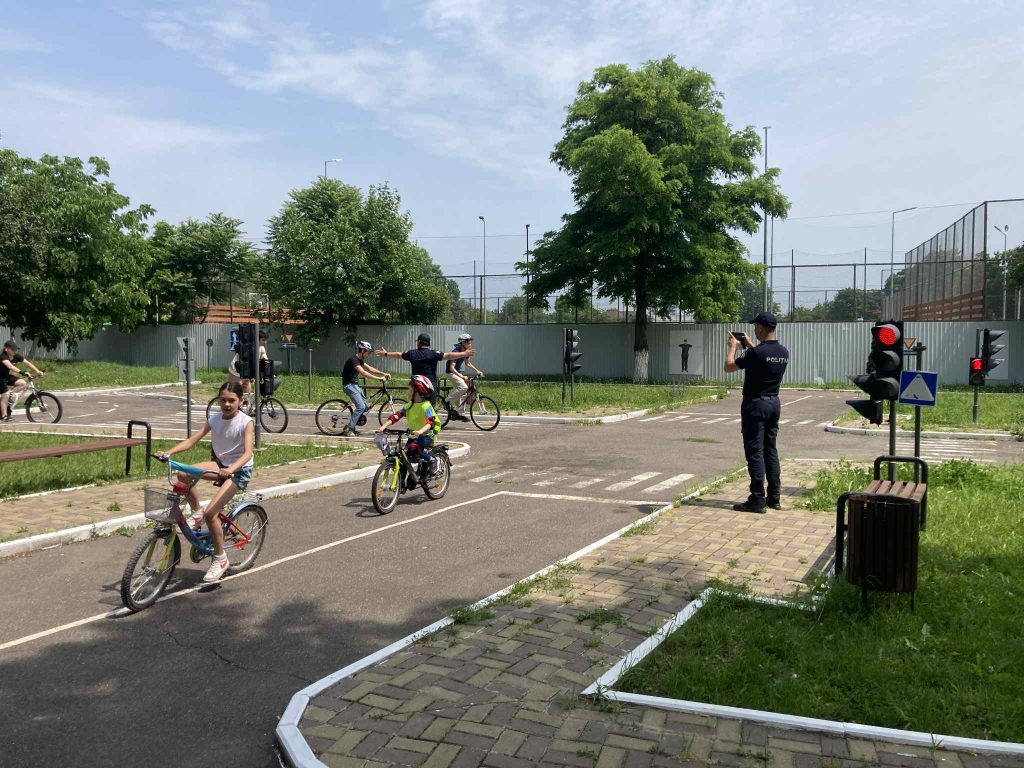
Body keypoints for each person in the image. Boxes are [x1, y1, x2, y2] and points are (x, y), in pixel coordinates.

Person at [157, 381, 255, 582]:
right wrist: (169, 452)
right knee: (184, 474)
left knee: (212, 514)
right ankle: (196, 511)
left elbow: (247, 453)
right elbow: (192, 440)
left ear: (241, 401)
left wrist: (231, 469)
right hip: (221, 465)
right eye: (223, 400)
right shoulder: (214, 419)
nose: (227, 404)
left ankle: (220, 559)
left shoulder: (246, 422)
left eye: (232, 400)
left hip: (238, 471)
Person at [723, 312, 790, 513]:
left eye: (755, 326)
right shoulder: (783, 352)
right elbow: (762, 358)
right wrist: (750, 346)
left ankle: (757, 499)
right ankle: (774, 497)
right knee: (770, 450)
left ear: (760, 327)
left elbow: (729, 367)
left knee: (755, 452)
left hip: (755, 406)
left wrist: (733, 347)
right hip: (774, 404)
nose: (754, 330)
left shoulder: (756, 353)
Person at [375, 333, 473, 404]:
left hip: (417, 386)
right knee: (430, 414)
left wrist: (386, 354)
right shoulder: (433, 353)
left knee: (415, 409)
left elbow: (398, 355)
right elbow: (448, 355)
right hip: (430, 386)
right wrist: (464, 353)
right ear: (428, 343)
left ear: (419, 342)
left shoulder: (412, 353)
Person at [376, 375, 441, 474]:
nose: (408, 392)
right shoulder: (409, 405)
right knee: (404, 456)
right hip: (414, 434)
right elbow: (396, 416)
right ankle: (403, 481)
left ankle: (432, 460)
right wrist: (383, 427)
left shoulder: (426, 406)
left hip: (428, 434)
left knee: (414, 448)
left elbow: (430, 423)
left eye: (409, 390)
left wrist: (420, 431)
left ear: (417, 392)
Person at [341, 341, 390, 436]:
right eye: (369, 352)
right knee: (361, 407)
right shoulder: (353, 360)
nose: (369, 354)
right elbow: (363, 372)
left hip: (355, 386)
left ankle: (352, 424)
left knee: (366, 406)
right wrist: (379, 378)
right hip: (349, 386)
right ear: (363, 351)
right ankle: (349, 429)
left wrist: (383, 373)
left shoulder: (359, 360)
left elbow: (370, 369)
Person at [1, 340, 45, 422]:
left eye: (15, 349)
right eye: (12, 349)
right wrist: (22, 372)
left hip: (6, 376)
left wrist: (37, 371)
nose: (15, 351)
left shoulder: (16, 356)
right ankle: (4, 416)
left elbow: (27, 363)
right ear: (6, 349)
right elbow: (10, 366)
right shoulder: (3, 356)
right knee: (5, 394)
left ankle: (9, 397)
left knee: (22, 383)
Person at [445, 333, 485, 421]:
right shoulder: (456, 352)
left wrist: (477, 371)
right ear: (462, 343)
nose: (470, 344)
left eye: (470, 342)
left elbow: (468, 363)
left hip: (457, 373)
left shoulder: (466, 352)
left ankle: (460, 414)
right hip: (451, 373)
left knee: (463, 393)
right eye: (468, 343)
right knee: (464, 387)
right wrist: (462, 376)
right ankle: (447, 401)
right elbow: (451, 368)